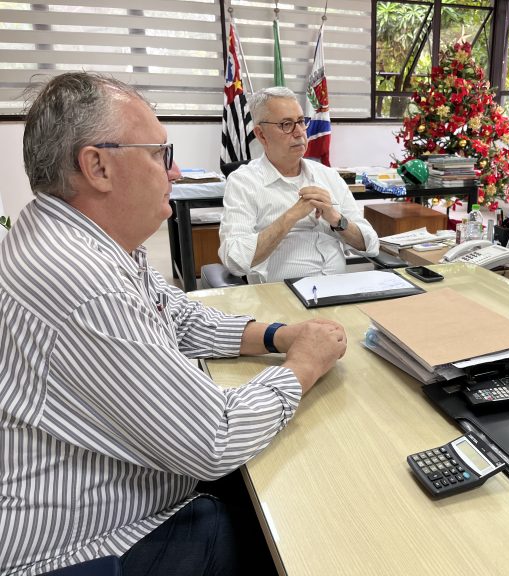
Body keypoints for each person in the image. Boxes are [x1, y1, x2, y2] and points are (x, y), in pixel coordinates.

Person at [0, 72, 348, 575]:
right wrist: (302, 365)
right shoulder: (83, 280)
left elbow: (177, 314)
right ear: (97, 166)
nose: (177, 171)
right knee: (301, 527)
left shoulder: (87, 242)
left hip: (124, 496)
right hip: (88, 547)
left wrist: (276, 335)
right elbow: (215, 439)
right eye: (161, 154)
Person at [218, 86, 379, 283]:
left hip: (338, 289)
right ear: (261, 135)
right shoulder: (243, 182)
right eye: (286, 124)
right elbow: (234, 259)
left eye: (301, 122)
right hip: (282, 296)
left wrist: (338, 220)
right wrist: (290, 218)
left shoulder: (328, 177)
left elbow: (371, 245)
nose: (299, 133)